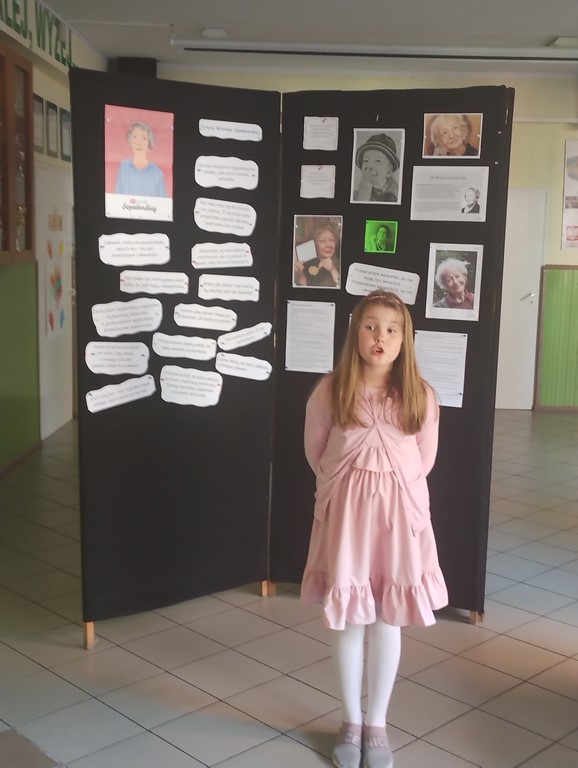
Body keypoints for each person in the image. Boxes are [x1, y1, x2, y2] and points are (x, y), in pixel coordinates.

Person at [300, 291, 448, 768]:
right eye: (370, 327)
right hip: (348, 522)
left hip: (398, 524)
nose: (380, 337)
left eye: (391, 329)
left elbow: (424, 460)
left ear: (404, 339)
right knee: (350, 620)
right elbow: (316, 453)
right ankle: (350, 720)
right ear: (355, 333)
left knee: (387, 619)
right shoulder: (330, 391)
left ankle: (377, 723)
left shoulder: (420, 395)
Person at [115, 121, 167, 197]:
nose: (138, 142)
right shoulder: (124, 167)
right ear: (130, 142)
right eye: (135, 137)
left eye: (143, 138)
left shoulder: (157, 173)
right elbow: (118, 197)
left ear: (149, 143)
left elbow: (162, 201)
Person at [353, 134, 400, 203]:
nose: (370, 166)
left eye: (377, 161)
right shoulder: (355, 196)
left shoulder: (397, 195)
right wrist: (363, 194)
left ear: (389, 171)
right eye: (366, 160)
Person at [294, 223, 341, 288]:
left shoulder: (340, 264)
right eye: (322, 241)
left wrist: (332, 270)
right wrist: (300, 274)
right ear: (314, 244)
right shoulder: (306, 265)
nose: (328, 245)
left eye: (331, 240)